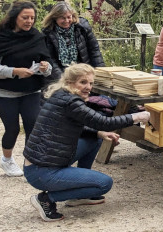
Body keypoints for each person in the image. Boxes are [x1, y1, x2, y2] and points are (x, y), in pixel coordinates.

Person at [23, 64, 151, 221]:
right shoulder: (72, 102)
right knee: (104, 183)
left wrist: (98, 133)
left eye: (91, 83)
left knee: (95, 138)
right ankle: (47, 200)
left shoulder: (61, 94)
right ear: (69, 82)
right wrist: (137, 116)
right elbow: (104, 122)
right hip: (41, 172)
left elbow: (84, 125)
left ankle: (78, 194)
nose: (88, 87)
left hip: (44, 161)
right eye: (83, 82)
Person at [0, 0, 53, 177]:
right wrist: (14, 71)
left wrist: (46, 68)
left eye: (32, 18)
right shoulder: (1, 38)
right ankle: (6, 161)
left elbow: (47, 64)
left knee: (33, 125)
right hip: (3, 92)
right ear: (15, 17)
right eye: (25, 17)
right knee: (12, 128)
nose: (29, 21)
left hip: (31, 90)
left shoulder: (37, 36)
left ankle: (30, 163)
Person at [42, 1, 105, 83]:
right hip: (61, 75)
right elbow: (50, 59)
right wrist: (63, 79)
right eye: (63, 18)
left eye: (69, 17)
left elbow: (94, 51)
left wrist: (100, 74)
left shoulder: (82, 28)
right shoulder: (48, 33)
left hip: (83, 71)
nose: (67, 20)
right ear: (55, 18)